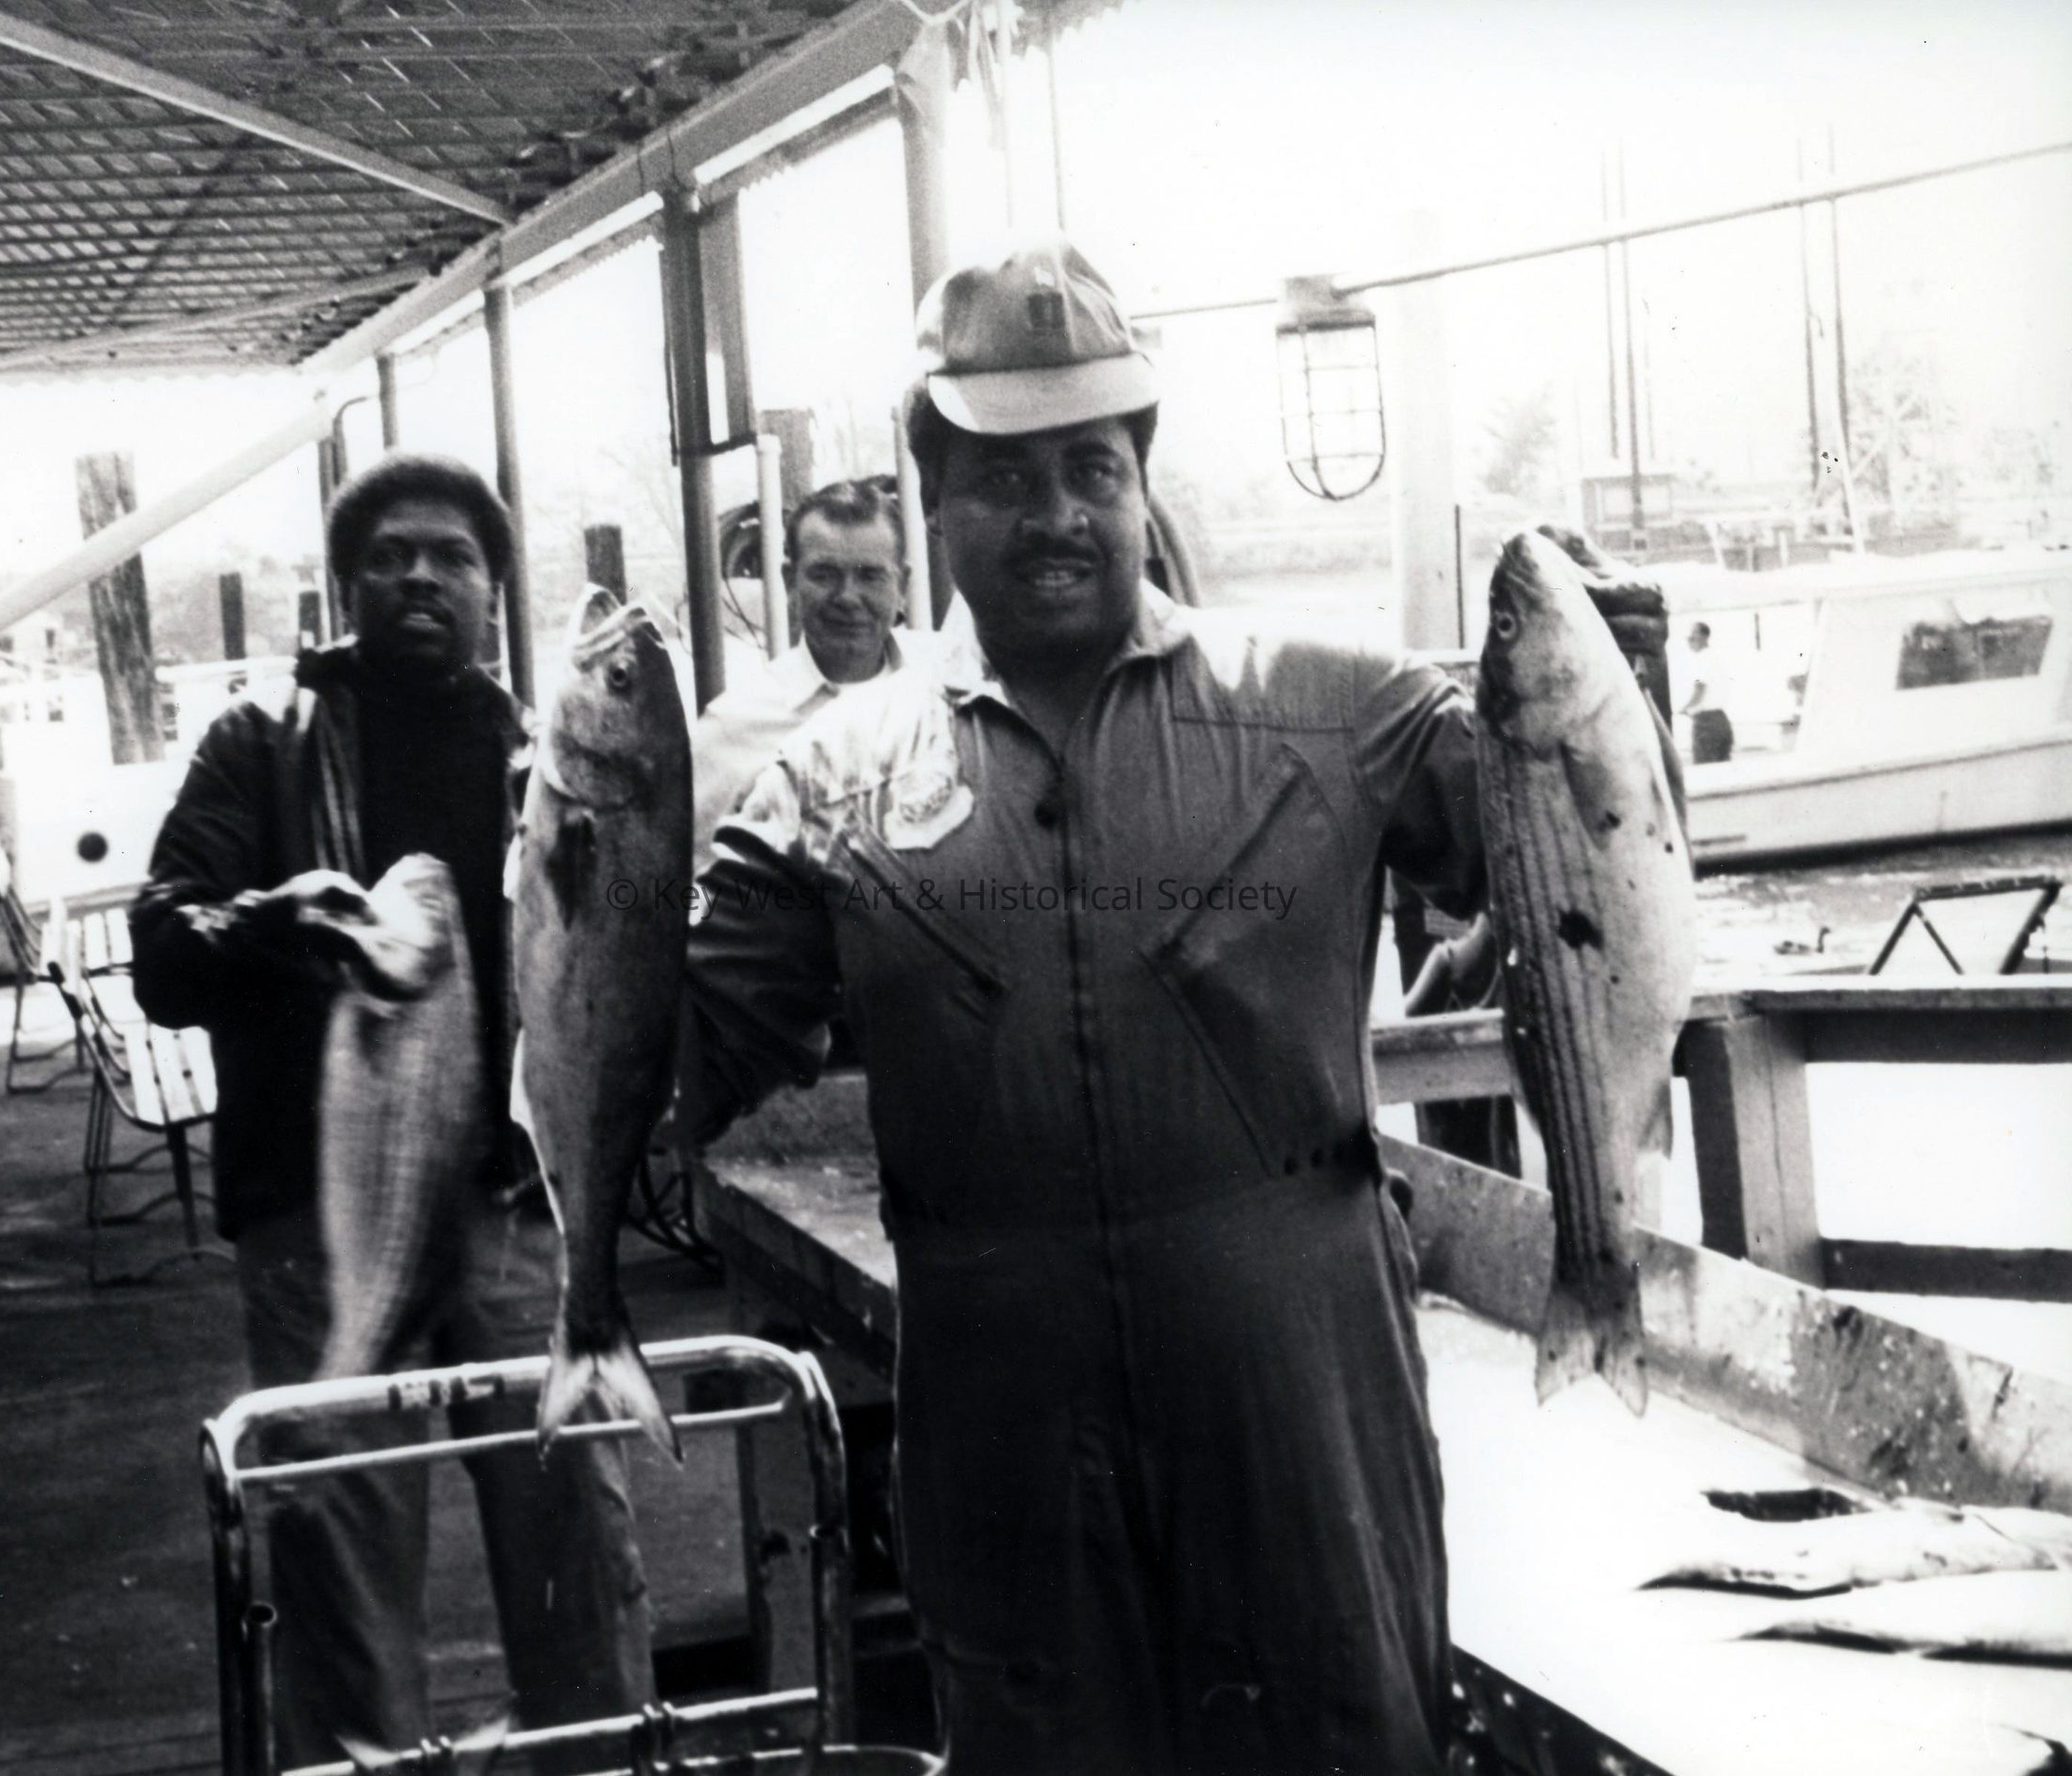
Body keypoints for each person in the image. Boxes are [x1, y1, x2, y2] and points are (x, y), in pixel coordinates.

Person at [678, 237, 1488, 1774]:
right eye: (1002, 477)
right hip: (999, 1376)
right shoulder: (826, 783)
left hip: (1299, 1370)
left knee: (1348, 1729)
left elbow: (1596, 877)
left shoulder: (1347, 711)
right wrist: (579, 908)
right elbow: (682, 1064)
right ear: (935, 495)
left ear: (1142, 476)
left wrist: (1614, 727)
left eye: (1090, 469)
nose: (1053, 515)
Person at [129, 453, 653, 1766]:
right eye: (389, 554)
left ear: (490, 592)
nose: (420, 574)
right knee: (343, 1575)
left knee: (577, 1551)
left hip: (517, 1221)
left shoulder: (553, 763)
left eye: (454, 557)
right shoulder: (256, 749)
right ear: (344, 583)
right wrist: (274, 920)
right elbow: (162, 948)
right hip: (325, 1225)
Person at [690, 476, 948, 875]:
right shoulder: (729, 728)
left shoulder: (953, 680)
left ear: (903, 585)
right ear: (789, 581)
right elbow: (690, 889)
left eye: (870, 576)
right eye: (825, 574)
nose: (847, 597)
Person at [1677, 618, 1735, 762]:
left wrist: (1685, 708)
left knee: (1705, 771)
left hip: (1706, 724)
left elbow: (1700, 688)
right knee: (1723, 770)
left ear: (1704, 637)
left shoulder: (1700, 659)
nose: (1689, 638)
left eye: (1693, 634)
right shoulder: (1715, 657)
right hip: (1721, 721)